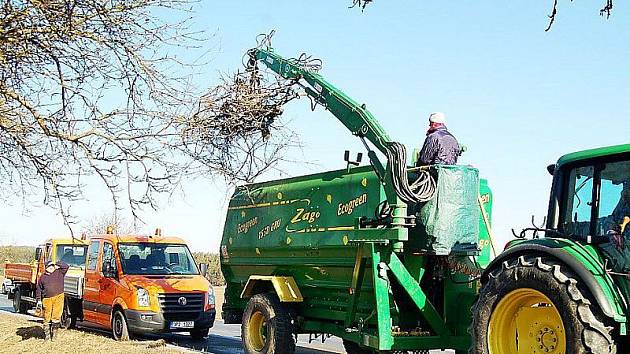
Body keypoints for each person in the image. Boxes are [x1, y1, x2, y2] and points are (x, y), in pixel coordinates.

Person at [36, 261, 69, 340]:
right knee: (47, 317)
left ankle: (54, 336)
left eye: (52, 266)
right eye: (49, 266)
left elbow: (66, 266)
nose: (51, 268)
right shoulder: (42, 277)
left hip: (58, 297)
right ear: (46, 268)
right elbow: (39, 289)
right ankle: (47, 336)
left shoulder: (59, 272)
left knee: (56, 316)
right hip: (47, 299)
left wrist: (56, 263)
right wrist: (39, 300)